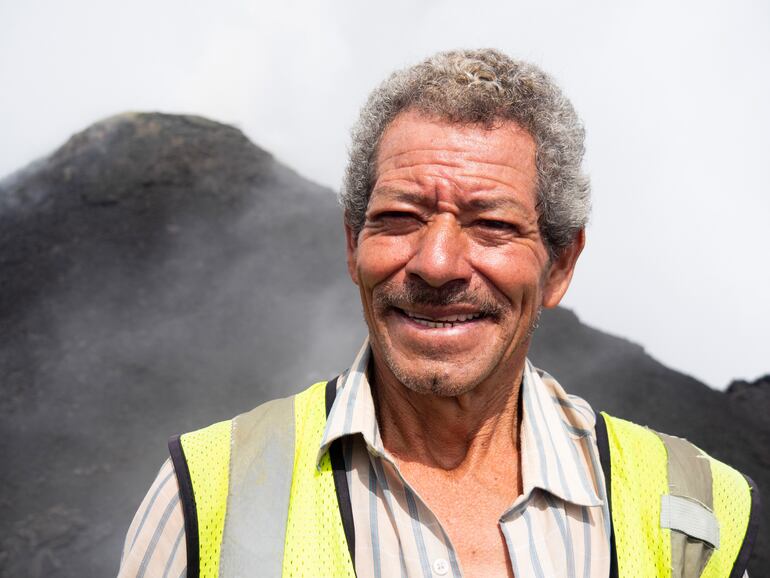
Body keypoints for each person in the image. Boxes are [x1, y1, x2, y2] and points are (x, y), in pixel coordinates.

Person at [117, 49, 758, 578]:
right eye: (399, 218)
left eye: (492, 224)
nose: (437, 263)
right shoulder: (205, 493)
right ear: (352, 245)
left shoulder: (694, 511)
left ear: (560, 264)